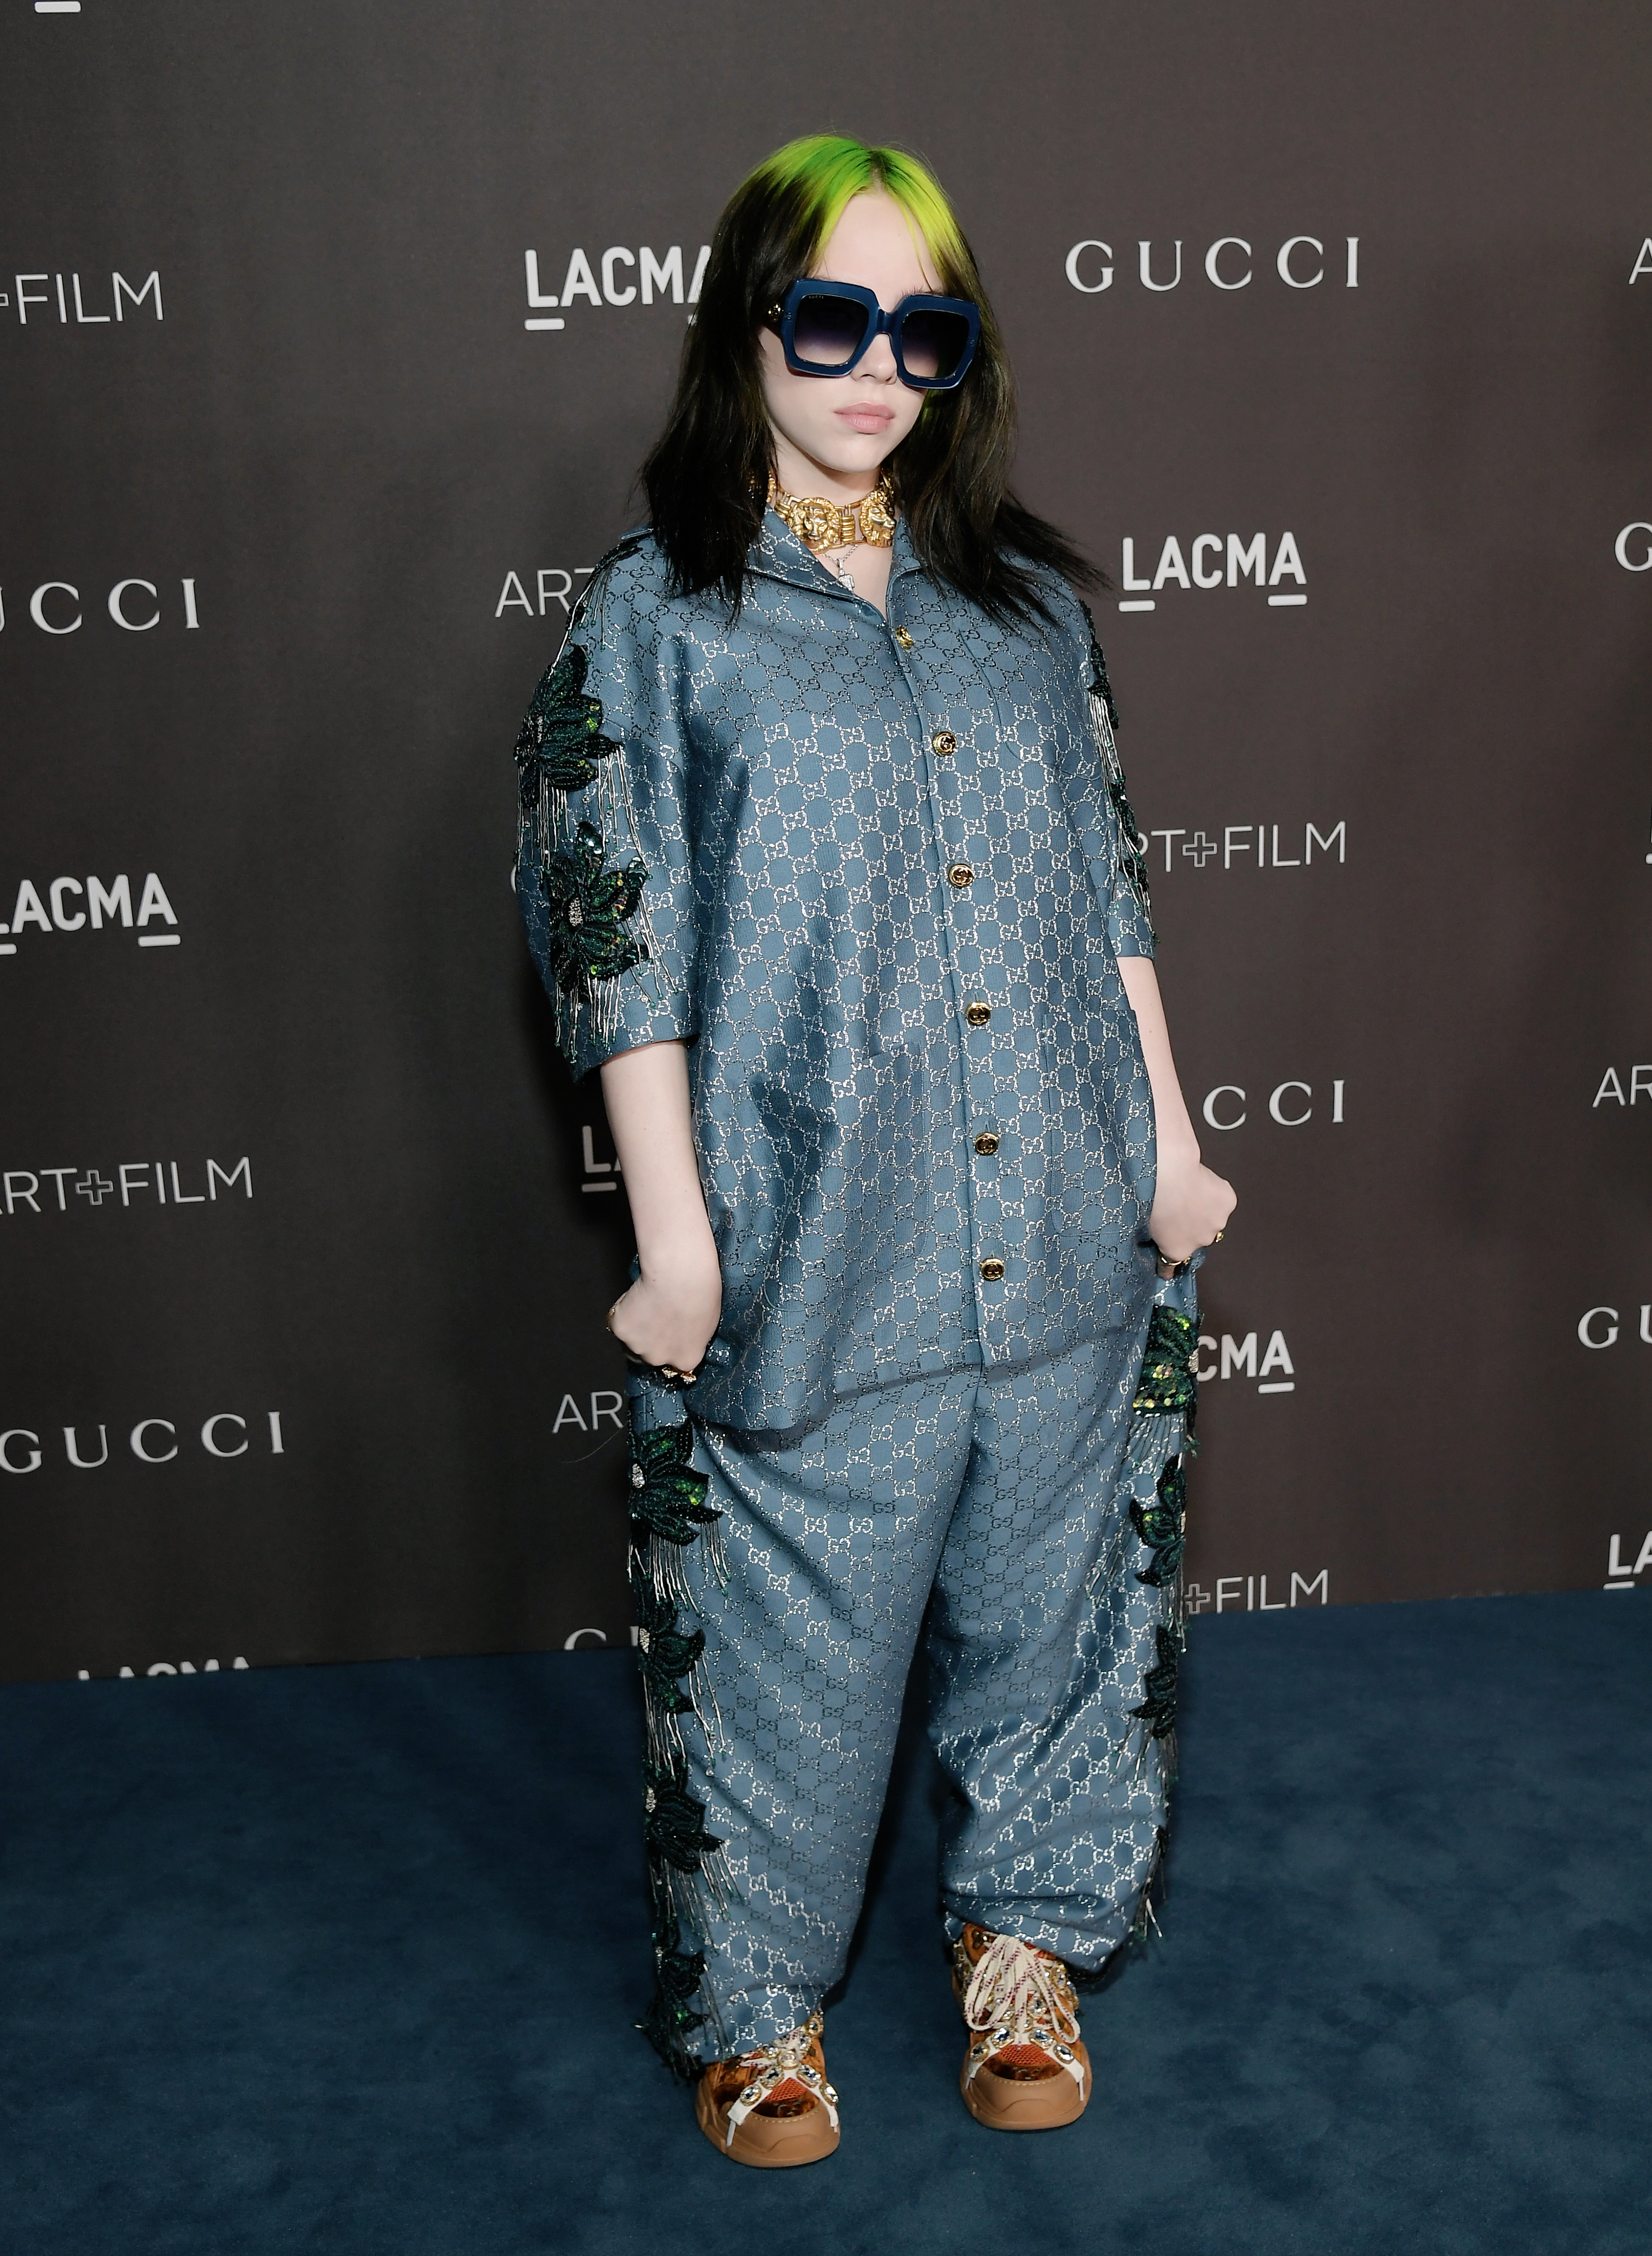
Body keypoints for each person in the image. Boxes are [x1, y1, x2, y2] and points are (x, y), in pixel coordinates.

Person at [513, 134, 1235, 2166]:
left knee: (1059, 1618)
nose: (873, 370)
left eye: (926, 331)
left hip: (1070, 1223)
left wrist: (1173, 1145)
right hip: (820, 1242)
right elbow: (616, 941)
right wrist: (675, 1239)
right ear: (745, 324)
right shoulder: (656, 619)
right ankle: (759, 2005)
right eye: (829, 318)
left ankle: (1028, 1939)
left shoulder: (1028, 611)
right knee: (781, 1660)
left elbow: (1107, 902)